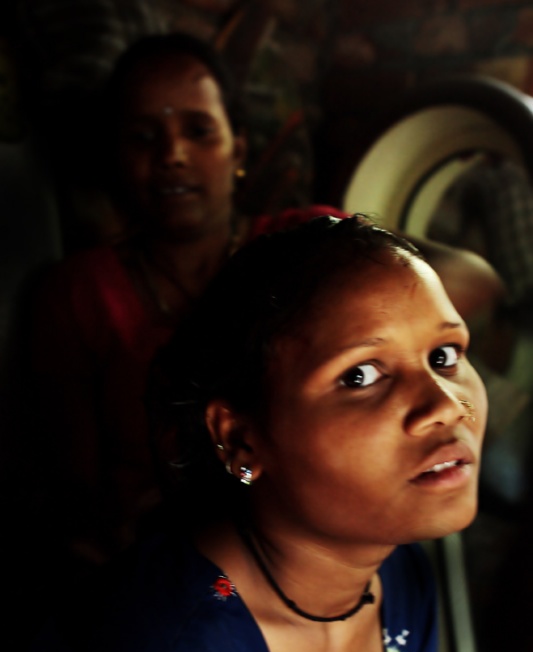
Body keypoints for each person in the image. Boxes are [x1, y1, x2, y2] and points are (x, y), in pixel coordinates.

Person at [6, 215, 488, 652]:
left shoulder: (398, 576)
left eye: (444, 355)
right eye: (361, 376)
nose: (445, 405)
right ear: (240, 440)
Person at [8, 32, 501, 567]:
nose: (173, 155)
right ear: (115, 157)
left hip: (318, 545)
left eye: (199, 130)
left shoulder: (310, 248)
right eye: (144, 137)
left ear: (237, 149)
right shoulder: (78, 292)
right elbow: (77, 488)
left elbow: (474, 278)